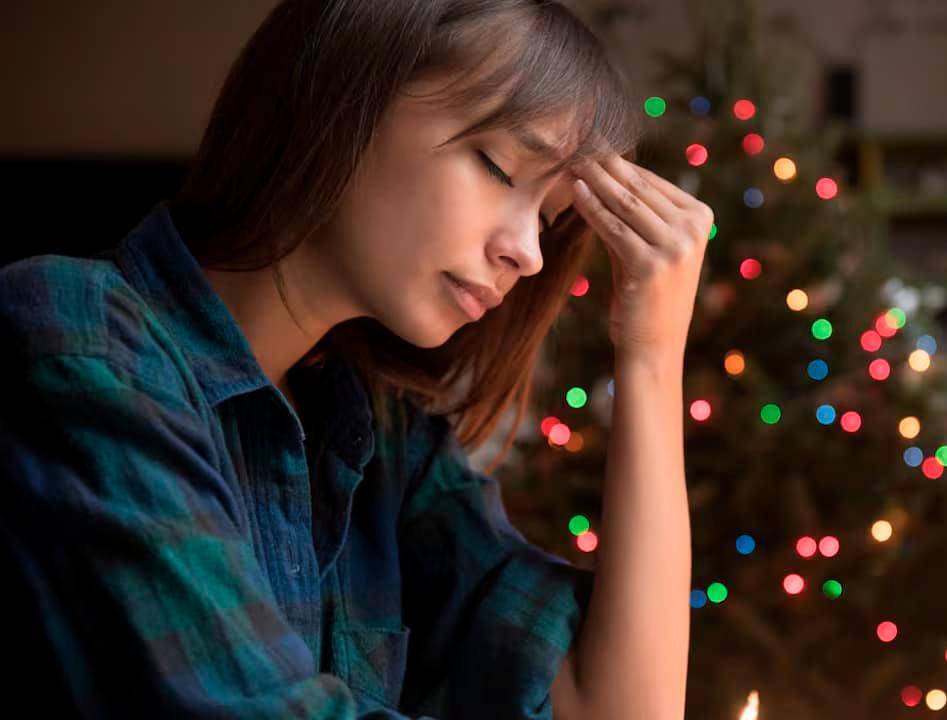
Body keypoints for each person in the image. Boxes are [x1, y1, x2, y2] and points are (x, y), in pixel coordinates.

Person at [0, 0, 710, 717]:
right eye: (499, 166)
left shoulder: (384, 441)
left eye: (550, 219)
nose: (526, 253)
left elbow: (616, 708)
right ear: (345, 98)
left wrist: (651, 361)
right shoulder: (80, 340)